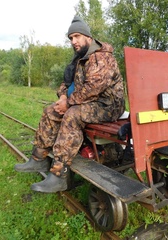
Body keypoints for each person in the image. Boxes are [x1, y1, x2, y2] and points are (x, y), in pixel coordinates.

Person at [14, 16, 125, 193]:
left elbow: (93, 88)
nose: (74, 41)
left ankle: (59, 175)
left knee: (72, 115)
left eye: (77, 36)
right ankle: (38, 159)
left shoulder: (102, 57)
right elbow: (66, 83)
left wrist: (69, 103)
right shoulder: (79, 59)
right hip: (87, 102)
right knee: (51, 110)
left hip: (108, 106)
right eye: (71, 38)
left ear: (88, 37)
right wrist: (63, 97)